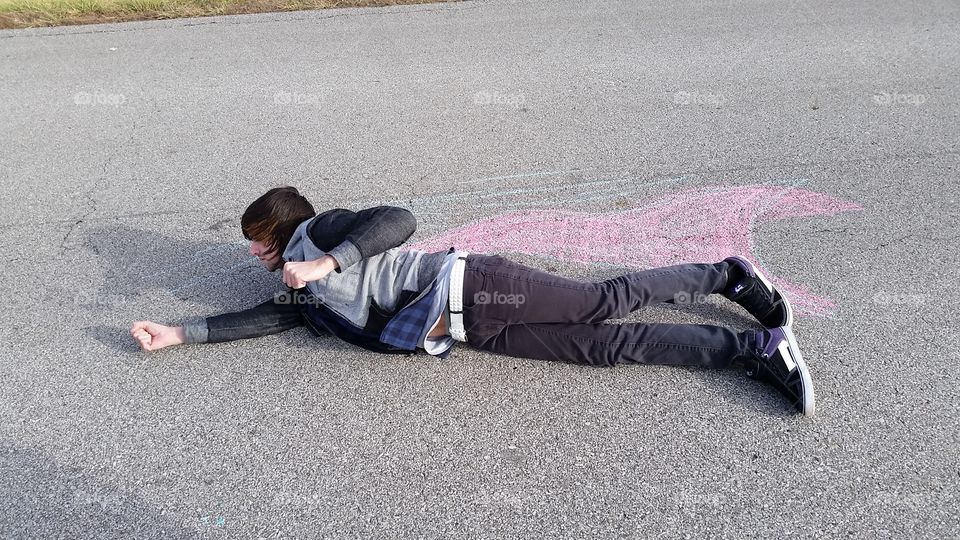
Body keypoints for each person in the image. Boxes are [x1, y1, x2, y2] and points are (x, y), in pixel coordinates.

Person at [131, 187, 815, 416]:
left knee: (599, 304)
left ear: (283, 227)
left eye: (260, 241)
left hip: (470, 284)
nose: (257, 253)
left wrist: (324, 261)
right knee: (607, 348)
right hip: (465, 330)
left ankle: (725, 275)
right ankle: (755, 349)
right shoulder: (297, 296)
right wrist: (182, 334)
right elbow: (258, 321)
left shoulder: (322, 230)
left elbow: (398, 220)